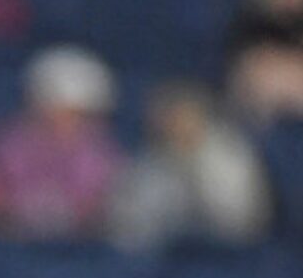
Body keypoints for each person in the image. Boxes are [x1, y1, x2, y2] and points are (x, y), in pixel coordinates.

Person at [111, 79, 272, 250]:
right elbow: (129, 226)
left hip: (227, 255)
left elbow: (244, 220)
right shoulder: (150, 161)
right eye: (169, 118)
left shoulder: (230, 154)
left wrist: (192, 170)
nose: (177, 125)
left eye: (184, 116)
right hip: (165, 259)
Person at [0, 45, 124, 240]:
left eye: (80, 116)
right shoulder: (9, 146)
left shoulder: (102, 156)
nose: (67, 123)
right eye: (63, 112)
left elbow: (102, 203)